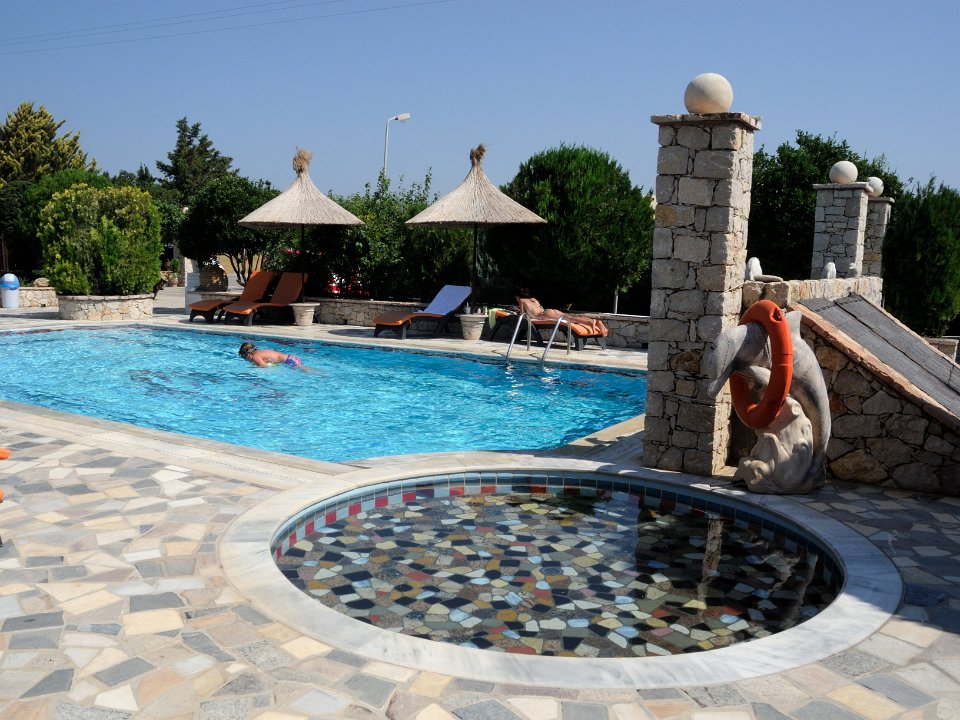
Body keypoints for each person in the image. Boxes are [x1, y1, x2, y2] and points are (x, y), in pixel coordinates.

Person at [517, 294, 608, 336]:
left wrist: (518, 312)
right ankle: (594, 321)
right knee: (571, 317)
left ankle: (592, 322)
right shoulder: (533, 299)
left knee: (571, 319)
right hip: (548, 311)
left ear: (518, 297)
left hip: (543, 315)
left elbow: (522, 314)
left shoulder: (521, 301)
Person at [239, 342, 304, 369]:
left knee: (305, 370)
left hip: (289, 361)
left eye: (244, 357)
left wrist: (253, 368)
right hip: (291, 358)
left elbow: (264, 366)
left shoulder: (255, 357)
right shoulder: (259, 352)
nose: (245, 360)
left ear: (248, 354)